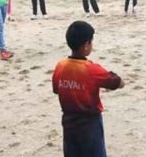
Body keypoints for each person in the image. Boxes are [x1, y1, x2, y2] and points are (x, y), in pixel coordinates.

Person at [52, 21, 124, 157]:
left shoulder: (60, 66)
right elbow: (117, 82)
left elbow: (57, 89)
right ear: (86, 45)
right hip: (90, 124)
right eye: (91, 42)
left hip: (68, 122)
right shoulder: (91, 69)